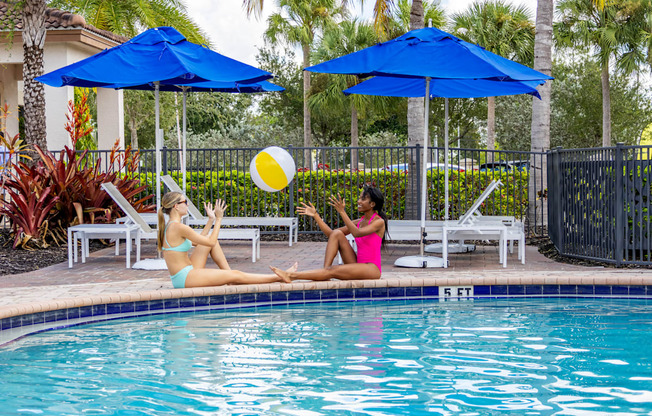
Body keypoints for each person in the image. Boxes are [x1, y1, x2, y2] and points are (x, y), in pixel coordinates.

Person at [157, 191, 293, 288]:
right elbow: (208, 241)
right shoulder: (178, 227)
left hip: (188, 271)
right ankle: (278, 277)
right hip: (185, 278)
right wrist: (219, 219)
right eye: (185, 202)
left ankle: (229, 276)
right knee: (236, 274)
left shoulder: (172, 226)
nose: (187, 205)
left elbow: (199, 241)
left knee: (213, 242)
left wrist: (210, 219)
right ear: (176, 206)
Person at [271, 186, 388, 281]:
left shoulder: (378, 222)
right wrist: (316, 216)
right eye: (360, 198)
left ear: (372, 204)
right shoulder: (359, 221)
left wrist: (342, 212)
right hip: (357, 263)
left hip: (372, 268)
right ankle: (325, 271)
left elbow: (357, 233)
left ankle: (292, 276)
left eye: (363, 199)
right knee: (337, 234)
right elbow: (332, 234)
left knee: (333, 270)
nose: (358, 201)